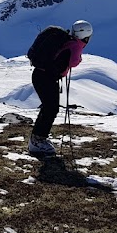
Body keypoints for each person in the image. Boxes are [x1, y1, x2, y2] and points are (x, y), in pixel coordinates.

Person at [29, 20, 93, 155]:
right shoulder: (76, 45)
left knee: (49, 108)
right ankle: (37, 141)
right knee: (50, 108)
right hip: (47, 77)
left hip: (41, 75)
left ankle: (38, 139)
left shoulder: (67, 40)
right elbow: (74, 62)